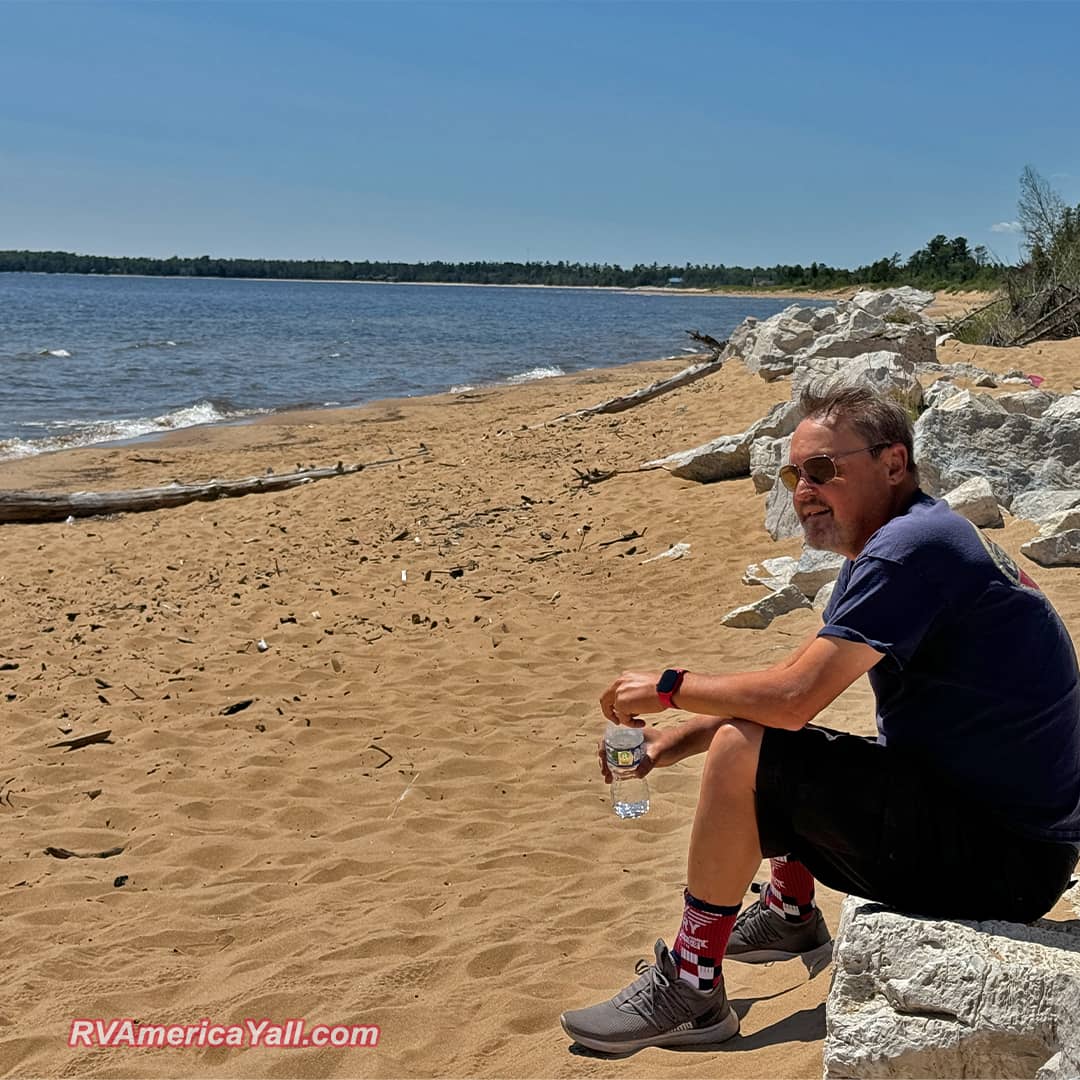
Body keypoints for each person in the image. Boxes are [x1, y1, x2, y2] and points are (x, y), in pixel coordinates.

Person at [560, 383, 1080, 1055]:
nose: (803, 489)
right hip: (1014, 839)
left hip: (1003, 860)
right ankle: (790, 913)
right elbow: (797, 686)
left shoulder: (907, 550)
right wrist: (667, 742)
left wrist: (668, 687)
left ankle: (692, 989)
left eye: (823, 470)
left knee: (748, 746)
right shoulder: (925, 534)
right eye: (793, 474)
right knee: (770, 740)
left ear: (893, 463)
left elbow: (790, 699)